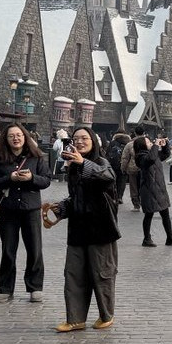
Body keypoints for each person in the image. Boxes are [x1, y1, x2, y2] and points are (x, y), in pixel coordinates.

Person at [41, 126, 119, 332]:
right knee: (74, 275)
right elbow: (77, 197)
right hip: (78, 229)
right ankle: (75, 319)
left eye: (84, 138)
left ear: (93, 141)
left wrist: (83, 162)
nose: (80, 142)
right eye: (76, 139)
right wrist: (62, 208)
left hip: (101, 229)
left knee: (102, 274)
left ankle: (106, 315)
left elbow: (109, 177)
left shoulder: (101, 162)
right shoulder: (73, 167)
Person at [0, 123, 52, 303]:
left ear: (25, 137)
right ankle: (5, 289)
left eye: (19, 135)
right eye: (11, 136)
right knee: (8, 250)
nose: (16, 138)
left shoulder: (36, 157)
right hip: (8, 210)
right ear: (5, 139)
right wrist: (9, 178)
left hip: (31, 209)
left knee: (35, 249)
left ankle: (35, 287)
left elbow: (46, 180)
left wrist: (31, 178)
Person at [134, 134, 172, 247]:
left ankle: (170, 238)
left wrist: (165, 146)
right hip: (149, 190)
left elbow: (165, 155)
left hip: (159, 189)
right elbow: (150, 159)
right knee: (149, 215)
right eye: (148, 142)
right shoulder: (141, 157)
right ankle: (147, 239)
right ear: (142, 145)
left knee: (165, 214)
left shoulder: (152, 154)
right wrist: (155, 145)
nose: (151, 143)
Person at [119, 125, 144, 211]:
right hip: (145, 169)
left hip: (133, 168)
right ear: (144, 133)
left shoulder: (130, 144)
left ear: (135, 133)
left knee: (134, 188)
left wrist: (123, 168)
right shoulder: (148, 143)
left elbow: (125, 158)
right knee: (144, 186)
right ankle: (144, 203)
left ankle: (136, 205)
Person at [106, 129, 131, 204]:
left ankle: (114, 196)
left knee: (113, 180)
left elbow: (108, 153)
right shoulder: (128, 142)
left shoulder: (113, 143)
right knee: (122, 181)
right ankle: (120, 197)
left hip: (113, 164)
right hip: (124, 164)